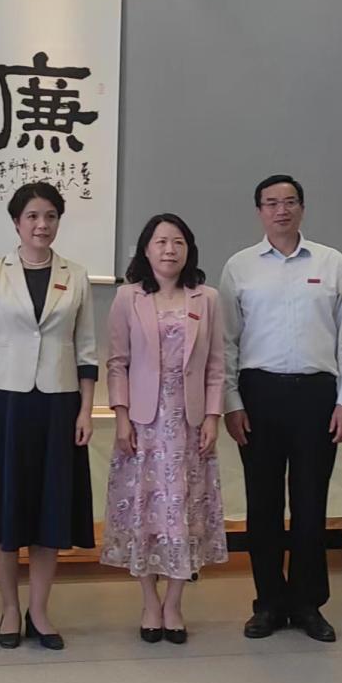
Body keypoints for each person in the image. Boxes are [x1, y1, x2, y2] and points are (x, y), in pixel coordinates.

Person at [219, 175, 342, 642]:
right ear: (259, 211)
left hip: (317, 396)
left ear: (302, 208)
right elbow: (226, 343)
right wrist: (231, 403)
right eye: (271, 203)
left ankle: (307, 603)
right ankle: (268, 603)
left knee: (310, 503)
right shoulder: (240, 267)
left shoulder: (332, 263)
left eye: (289, 202)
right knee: (262, 505)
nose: (281, 210)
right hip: (258, 395)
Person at [0, 183, 96, 650]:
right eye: (33, 216)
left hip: (58, 405)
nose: (42, 225)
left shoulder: (76, 275)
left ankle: (39, 610)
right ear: (16, 222)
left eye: (51, 216)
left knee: (48, 510)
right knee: (4, 511)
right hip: (4, 404)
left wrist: (86, 410)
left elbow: (86, 350)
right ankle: (8, 608)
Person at [100, 213, 228, 644]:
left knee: (184, 514)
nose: (169, 250)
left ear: (189, 249)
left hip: (189, 424)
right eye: (161, 242)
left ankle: (173, 603)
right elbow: (117, 362)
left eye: (178, 242)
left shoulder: (206, 299)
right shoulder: (128, 297)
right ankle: (149, 602)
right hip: (143, 424)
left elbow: (216, 366)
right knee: (145, 512)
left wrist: (213, 417)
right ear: (146, 249)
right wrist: (121, 416)